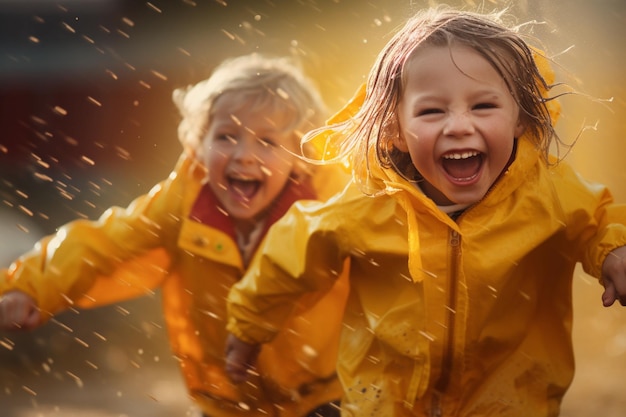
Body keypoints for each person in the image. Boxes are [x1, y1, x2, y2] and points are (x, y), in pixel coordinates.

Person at [224, 7, 626, 417]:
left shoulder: (546, 191)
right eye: (432, 111)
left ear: (520, 117)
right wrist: (248, 325)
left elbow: (596, 218)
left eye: (483, 106)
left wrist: (614, 251)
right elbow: (294, 251)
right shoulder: (369, 202)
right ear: (395, 130)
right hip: (385, 401)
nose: (458, 126)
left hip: (507, 400)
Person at [0, 53, 349, 417]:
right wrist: (28, 286)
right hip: (227, 403)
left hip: (323, 395)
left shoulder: (329, 208)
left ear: (299, 156)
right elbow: (106, 242)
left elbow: (391, 253)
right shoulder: (183, 203)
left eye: (267, 142)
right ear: (199, 143)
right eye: (227, 136)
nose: (245, 155)